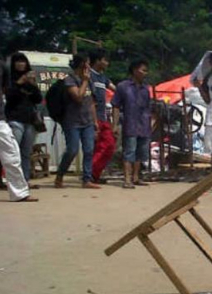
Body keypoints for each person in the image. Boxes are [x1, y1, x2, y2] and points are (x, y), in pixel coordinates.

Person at [55, 53, 100, 189]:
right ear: (81, 65)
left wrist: (95, 121)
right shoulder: (70, 80)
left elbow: (91, 102)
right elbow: (78, 97)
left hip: (87, 121)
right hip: (72, 122)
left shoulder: (89, 81)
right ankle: (60, 175)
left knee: (89, 150)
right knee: (72, 150)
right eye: (86, 63)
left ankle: (87, 179)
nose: (88, 66)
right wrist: (85, 81)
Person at [0, 61, 37, 202]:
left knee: (12, 154)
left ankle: (19, 193)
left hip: (0, 119)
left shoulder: (2, 66)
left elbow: (5, 89)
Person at [111, 59, 152, 189]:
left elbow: (148, 107)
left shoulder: (146, 88)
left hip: (144, 124)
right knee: (129, 152)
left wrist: (151, 122)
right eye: (143, 70)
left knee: (141, 152)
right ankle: (127, 179)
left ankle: (136, 177)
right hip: (130, 123)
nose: (145, 73)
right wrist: (115, 124)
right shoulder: (123, 87)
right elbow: (116, 106)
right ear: (135, 70)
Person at [5, 52, 42, 186]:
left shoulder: (30, 80)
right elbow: (9, 97)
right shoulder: (9, 79)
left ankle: (25, 181)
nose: (21, 64)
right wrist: (19, 83)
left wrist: (32, 85)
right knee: (13, 152)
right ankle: (14, 181)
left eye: (23, 61)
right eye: (18, 61)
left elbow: (38, 99)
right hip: (14, 118)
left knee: (26, 153)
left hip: (30, 121)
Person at [89, 48, 116, 184]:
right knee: (94, 147)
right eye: (105, 60)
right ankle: (90, 175)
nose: (107, 63)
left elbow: (115, 89)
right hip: (91, 118)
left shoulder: (103, 77)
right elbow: (89, 101)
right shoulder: (89, 76)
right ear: (97, 60)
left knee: (109, 146)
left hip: (103, 117)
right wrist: (94, 122)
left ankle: (94, 173)